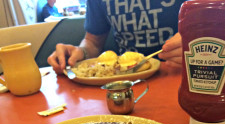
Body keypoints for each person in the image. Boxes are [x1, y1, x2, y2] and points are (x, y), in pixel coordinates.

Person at [48, 0, 184, 74]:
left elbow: (205, 25)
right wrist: (81, 51)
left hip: (179, 75)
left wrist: (200, 40)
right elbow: (93, 42)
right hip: (123, 80)